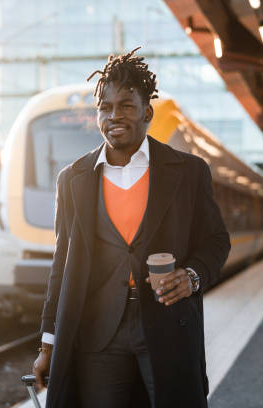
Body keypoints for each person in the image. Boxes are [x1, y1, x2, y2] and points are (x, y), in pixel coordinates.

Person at [32, 47, 231, 408]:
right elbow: (62, 266)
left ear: (147, 112)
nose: (114, 116)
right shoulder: (74, 179)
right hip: (98, 332)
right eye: (105, 108)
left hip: (168, 328)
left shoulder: (187, 172)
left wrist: (193, 276)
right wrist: (48, 345)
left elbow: (217, 241)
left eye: (125, 105)